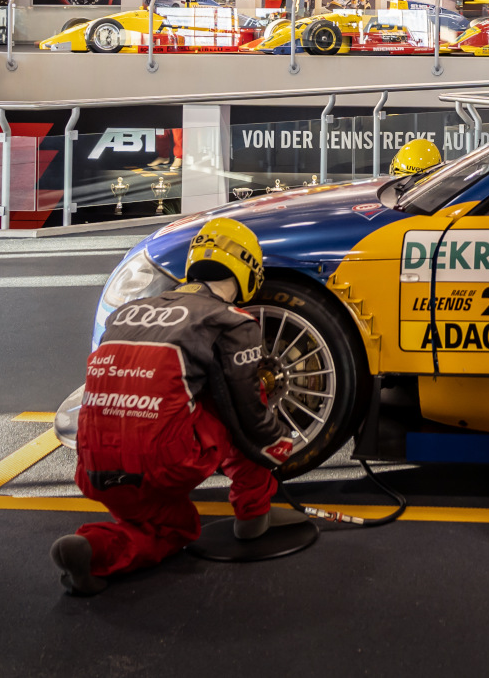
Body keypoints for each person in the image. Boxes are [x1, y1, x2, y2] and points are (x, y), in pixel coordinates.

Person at [49, 217, 305, 595]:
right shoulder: (230, 320)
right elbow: (248, 407)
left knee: (174, 528)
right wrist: (278, 442)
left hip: (93, 467)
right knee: (237, 394)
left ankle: (94, 552)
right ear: (249, 270)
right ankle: (254, 515)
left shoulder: (126, 313)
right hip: (164, 462)